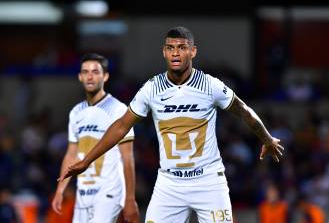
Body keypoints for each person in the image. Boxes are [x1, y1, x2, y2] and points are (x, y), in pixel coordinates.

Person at [59, 27, 284, 222]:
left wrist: (267, 139)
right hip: (169, 183)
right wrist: (87, 160)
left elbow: (244, 112)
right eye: (170, 47)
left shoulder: (210, 85)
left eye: (182, 47)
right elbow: (121, 126)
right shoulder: (151, 89)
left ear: (193, 51)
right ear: (164, 52)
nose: (176, 52)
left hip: (208, 181)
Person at [52, 53, 139, 223]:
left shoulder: (118, 109)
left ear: (105, 76)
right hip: (83, 193)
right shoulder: (76, 112)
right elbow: (71, 154)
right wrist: (60, 190)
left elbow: (127, 157)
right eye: (85, 72)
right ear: (79, 76)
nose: (90, 76)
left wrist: (130, 198)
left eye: (95, 71)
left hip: (108, 192)